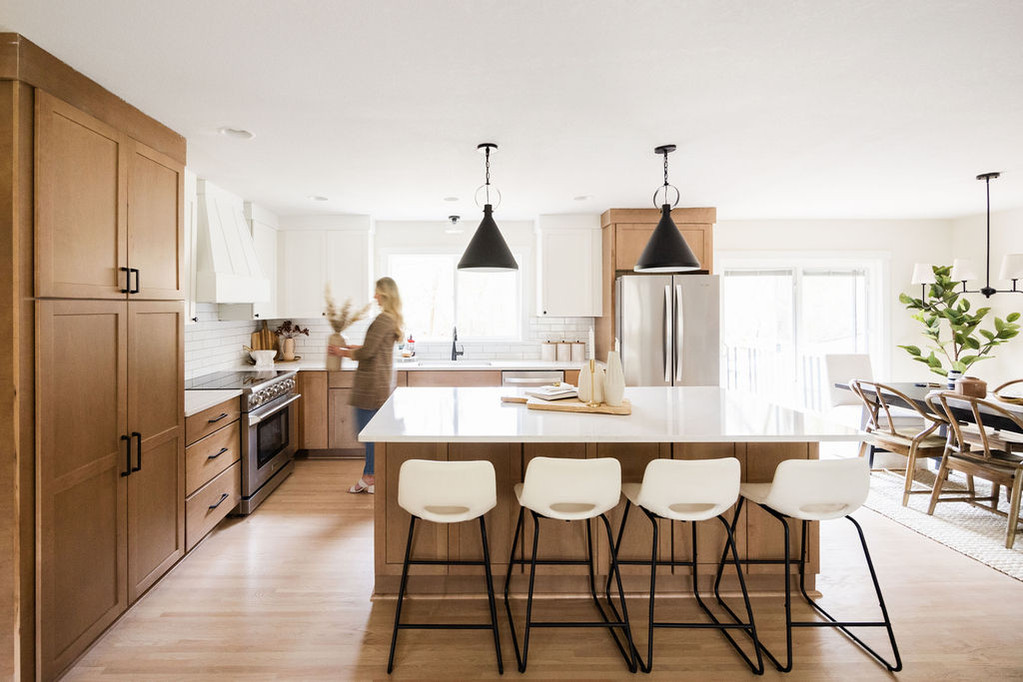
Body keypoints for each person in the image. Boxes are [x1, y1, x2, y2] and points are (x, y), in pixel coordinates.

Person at [327, 277, 403, 494]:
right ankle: (371, 475)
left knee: (367, 433)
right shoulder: (389, 319)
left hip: (371, 384)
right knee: (370, 433)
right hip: (378, 383)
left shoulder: (383, 320)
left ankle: (370, 476)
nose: (374, 296)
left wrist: (341, 352)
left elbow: (368, 352)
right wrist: (352, 346)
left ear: (385, 294)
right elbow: (374, 347)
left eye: (377, 292)